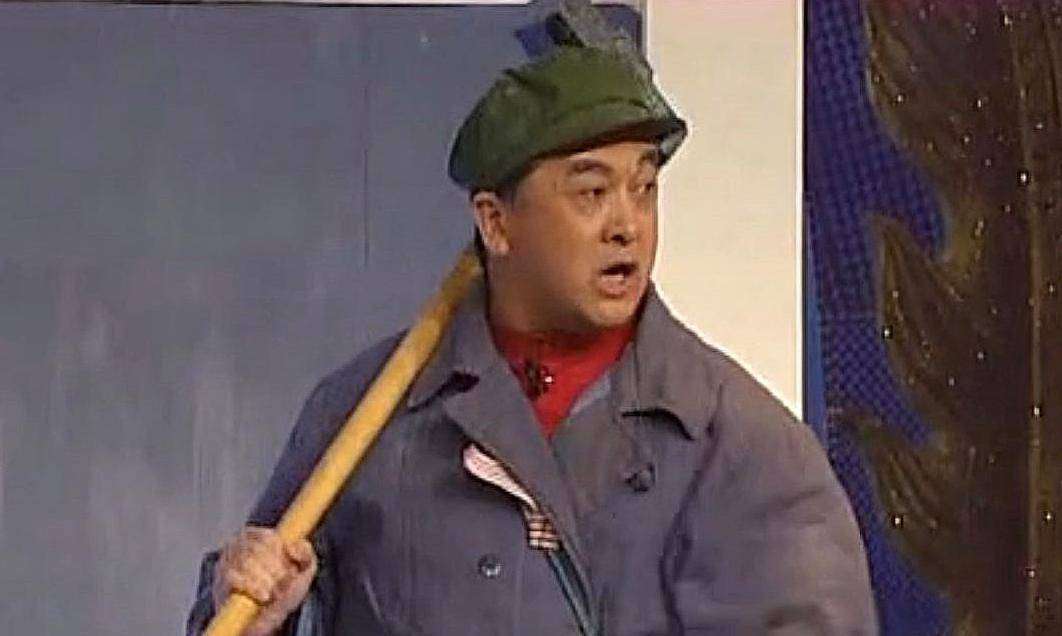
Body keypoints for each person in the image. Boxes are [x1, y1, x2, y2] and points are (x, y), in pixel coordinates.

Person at [187, 44, 878, 635]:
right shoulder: (362, 421)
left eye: (644, 188)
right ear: (496, 223)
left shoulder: (744, 448)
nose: (627, 226)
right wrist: (264, 617)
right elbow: (254, 606)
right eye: (591, 193)